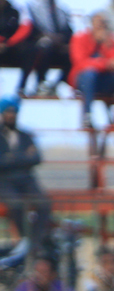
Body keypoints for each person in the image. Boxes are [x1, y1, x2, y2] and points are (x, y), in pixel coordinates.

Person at [0, 96, 51, 255]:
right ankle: (25, 239)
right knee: (16, 205)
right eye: (8, 112)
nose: (11, 115)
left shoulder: (25, 136)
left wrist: (11, 158)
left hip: (27, 179)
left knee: (44, 203)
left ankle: (35, 241)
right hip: (4, 181)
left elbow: (37, 158)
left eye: (14, 112)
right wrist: (23, 157)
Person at [69, 12, 114, 128]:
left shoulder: (111, 40)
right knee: (89, 74)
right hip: (85, 80)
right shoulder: (79, 38)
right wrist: (104, 62)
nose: (101, 25)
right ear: (92, 23)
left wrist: (105, 46)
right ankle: (87, 115)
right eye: (98, 22)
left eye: (104, 23)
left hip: (105, 79)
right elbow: (80, 63)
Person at [23, 0, 72, 96]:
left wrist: (61, 38)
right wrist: (47, 36)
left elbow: (68, 31)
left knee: (72, 53)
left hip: (58, 46)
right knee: (44, 49)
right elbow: (30, 30)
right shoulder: (32, 8)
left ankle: (57, 84)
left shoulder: (61, 11)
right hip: (40, 45)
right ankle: (40, 82)